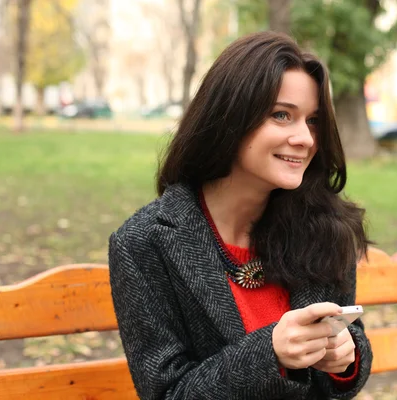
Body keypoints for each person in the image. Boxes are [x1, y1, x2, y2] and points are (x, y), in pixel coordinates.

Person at [108, 31, 373, 400]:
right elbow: (167, 394)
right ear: (230, 118)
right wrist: (271, 353)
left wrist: (347, 356)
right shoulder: (145, 243)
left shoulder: (324, 226)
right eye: (282, 115)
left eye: (312, 121)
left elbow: (344, 370)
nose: (306, 138)